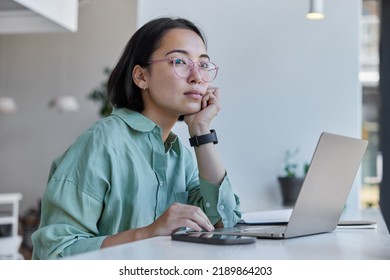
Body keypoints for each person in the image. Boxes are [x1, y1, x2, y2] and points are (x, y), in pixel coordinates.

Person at [32, 17, 241, 259]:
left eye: (203, 65)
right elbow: (55, 253)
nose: (197, 77)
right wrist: (148, 233)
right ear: (141, 77)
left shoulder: (179, 155)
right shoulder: (102, 142)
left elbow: (225, 222)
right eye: (179, 61)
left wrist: (201, 131)